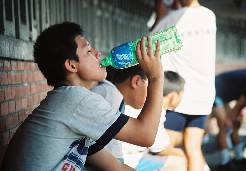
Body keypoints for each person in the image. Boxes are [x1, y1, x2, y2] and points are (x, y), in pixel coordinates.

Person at [1, 22, 164, 171]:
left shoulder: (70, 101)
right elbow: (145, 136)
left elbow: (115, 167)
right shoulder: (75, 100)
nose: (98, 54)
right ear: (71, 65)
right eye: (88, 50)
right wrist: (156, 77)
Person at [150, 0, 217, 170]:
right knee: (194, 148)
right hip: (204, 95)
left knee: (167, 148)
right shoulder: (210, 16)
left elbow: (150, 41)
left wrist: (161, 14)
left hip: (177, 95)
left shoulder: (172, 18)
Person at [91, 68, 187, 171]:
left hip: (115, 161)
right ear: (136, 81)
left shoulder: (111, 94)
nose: (150, 93)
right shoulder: (110, 94)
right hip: (126, 160)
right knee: (179, 162)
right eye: (149, 85)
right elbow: (151, 141)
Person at [210, 69, 246, 171]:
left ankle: (238, 158)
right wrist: (230, 118)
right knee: (224, 125)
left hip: (224, 97)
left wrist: (236, 115)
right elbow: (242, 100)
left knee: (234, 124)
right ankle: (224, 162)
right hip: (215, 91)